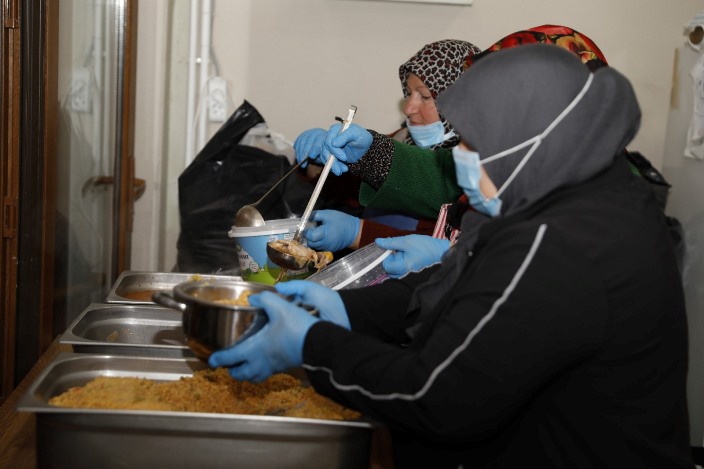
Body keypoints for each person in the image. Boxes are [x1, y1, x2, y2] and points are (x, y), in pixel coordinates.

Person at [209, 44, 694, 468]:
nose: (457, 153)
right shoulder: (579, 192)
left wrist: (310, 345)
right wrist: (342, 308)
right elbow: (468, 282)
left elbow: (436, 396)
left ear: (526, 140)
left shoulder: (560, 242)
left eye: (472, 141)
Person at [301, 25, 615, 276]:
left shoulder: (596, 202)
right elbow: (442, 177)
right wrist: (366, 153)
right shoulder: (515, 162)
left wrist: (455, 259)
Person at [295, 39, 481, 265]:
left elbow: (436, 242)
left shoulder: (478, 163)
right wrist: (322, 161)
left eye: (425, 96)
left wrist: (357, 233)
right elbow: (349, 191)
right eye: (408, 94)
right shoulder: (399, 139)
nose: (409, 108)